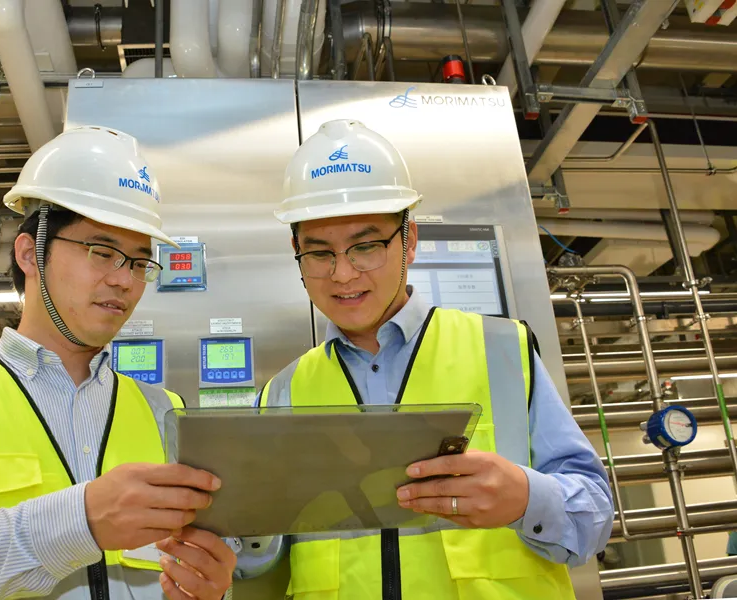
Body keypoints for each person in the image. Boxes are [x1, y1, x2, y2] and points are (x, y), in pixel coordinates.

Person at [0, 127, 236, 600]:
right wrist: (78, 523)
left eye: (138, 263)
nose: (125, 281)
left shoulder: (165, 411)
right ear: (30, 254)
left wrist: (210, 589)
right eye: (102, 252)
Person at [259, 119, 614, 599]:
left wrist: (526, 498)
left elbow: (595, 519)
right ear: (296, 251)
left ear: (409, 241)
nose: (342, 274)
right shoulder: (283, 392)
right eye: (319, 254)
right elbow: (259, 551)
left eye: (366, 247)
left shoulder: (500, 351)